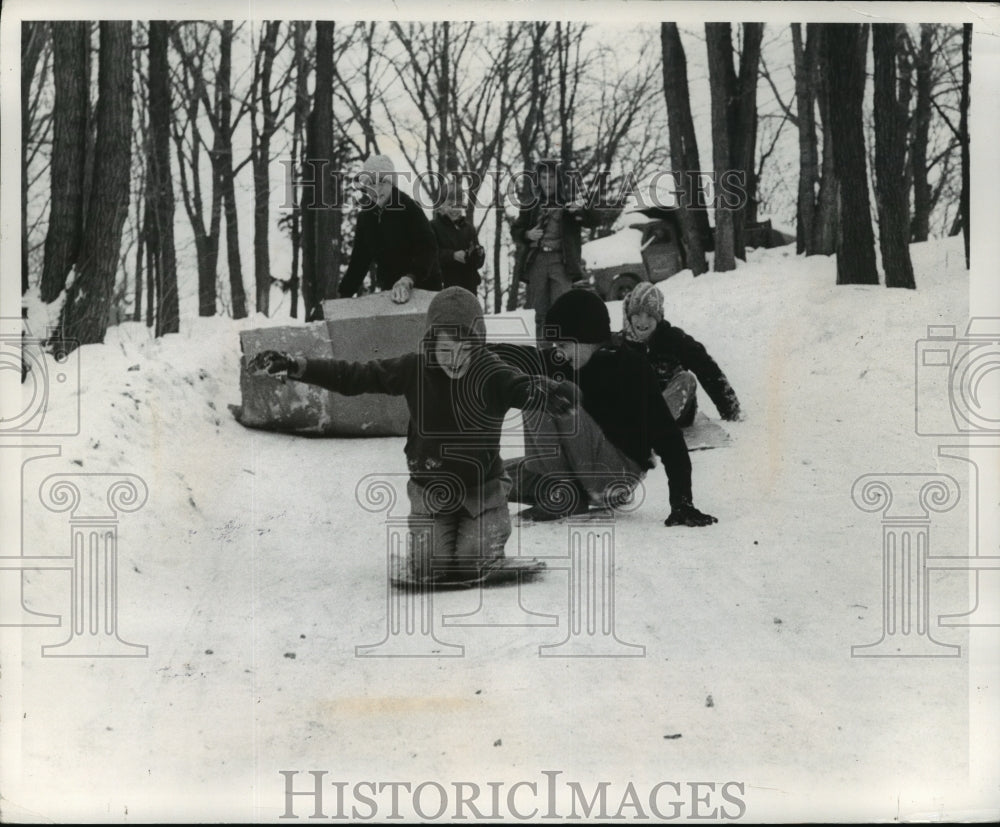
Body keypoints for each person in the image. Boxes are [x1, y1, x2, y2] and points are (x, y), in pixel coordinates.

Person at [247, 287, 575, 584]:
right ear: (432, 344)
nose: (455, 360)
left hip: (482, 489)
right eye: (446, 350)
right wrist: (296, 366)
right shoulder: (414, 369)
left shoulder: (491, 373)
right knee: (432, 566)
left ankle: (486, 544)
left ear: (478, 343)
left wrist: (552, 393)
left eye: (465, 349)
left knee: (473, 562)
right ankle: (439, 543)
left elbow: (521, 386)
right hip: (432, 490)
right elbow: (353, 376)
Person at [504, 288, 717, 527]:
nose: (559, 353)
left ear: (587, 337)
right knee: (488, 475)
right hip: (585, 466)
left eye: (563, 345)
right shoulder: (568, 359)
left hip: (616, 472)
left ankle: (562, 494)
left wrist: (682, 503)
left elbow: (668, 438)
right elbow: (527, 358)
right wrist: (476, 352)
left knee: (538, 391)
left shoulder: (630, 367)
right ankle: (560, 489)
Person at [614, 282, 741, 427]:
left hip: (673, 413)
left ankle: (651, 428)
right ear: (629, 316)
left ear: (659, 317)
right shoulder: (619, 344)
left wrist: (732, 411)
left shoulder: (674, 339)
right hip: (635, 413)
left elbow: (708, 369)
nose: (643, 322)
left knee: (686, 379)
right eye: (637, 314)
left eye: (650, 315)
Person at [510, 158, 601, 339]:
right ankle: (545, 359)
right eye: (543, 178)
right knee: (541, 314)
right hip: (537, 262)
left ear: (558, 179)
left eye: (551, 177)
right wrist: (527, 235)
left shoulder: (570, 202)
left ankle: (562, 356)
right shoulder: (531, 204)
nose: (547, 182)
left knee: (562, 311)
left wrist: (581, 210)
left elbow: (595, 220)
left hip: (561, 262)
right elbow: (516, 229)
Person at [337, 154, 442, 304]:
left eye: (382, 182)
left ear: (392, 183)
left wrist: (410, 278)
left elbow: (428, 248)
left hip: (423, 287)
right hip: (391, 292)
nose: (377, 189)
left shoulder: (408, 208)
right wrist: (342, 296)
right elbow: (359, 262)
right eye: (371, 184)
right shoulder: (366, 218)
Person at [430, 187, 485, 294]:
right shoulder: (432, 227)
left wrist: (478, 254)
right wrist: (452, 255)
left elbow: (477, 263)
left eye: (458, 205)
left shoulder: (469, 228)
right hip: (444, 286)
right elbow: (428, 256)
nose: (455, 209)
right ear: (441, 205)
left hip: (468, 288)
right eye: (451, 204)